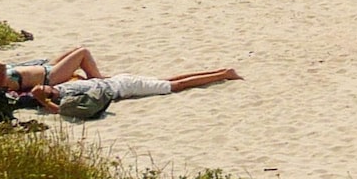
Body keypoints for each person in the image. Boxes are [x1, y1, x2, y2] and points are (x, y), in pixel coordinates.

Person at [29, 69, 242, 115]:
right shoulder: (65, 85)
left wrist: (43, 102)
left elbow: (61, 111)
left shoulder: (65, 96)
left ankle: (222, 74)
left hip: (124, 87)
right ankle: (221, 72)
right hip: (120, 81)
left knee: (174, 86)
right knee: (168, 80)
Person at [0, 45, 103, 92]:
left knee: (77, 48)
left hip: (46, 68)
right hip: (50, 77)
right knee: (83, 52)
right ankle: (96, 78)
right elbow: (1, 66)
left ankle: (95, 76)